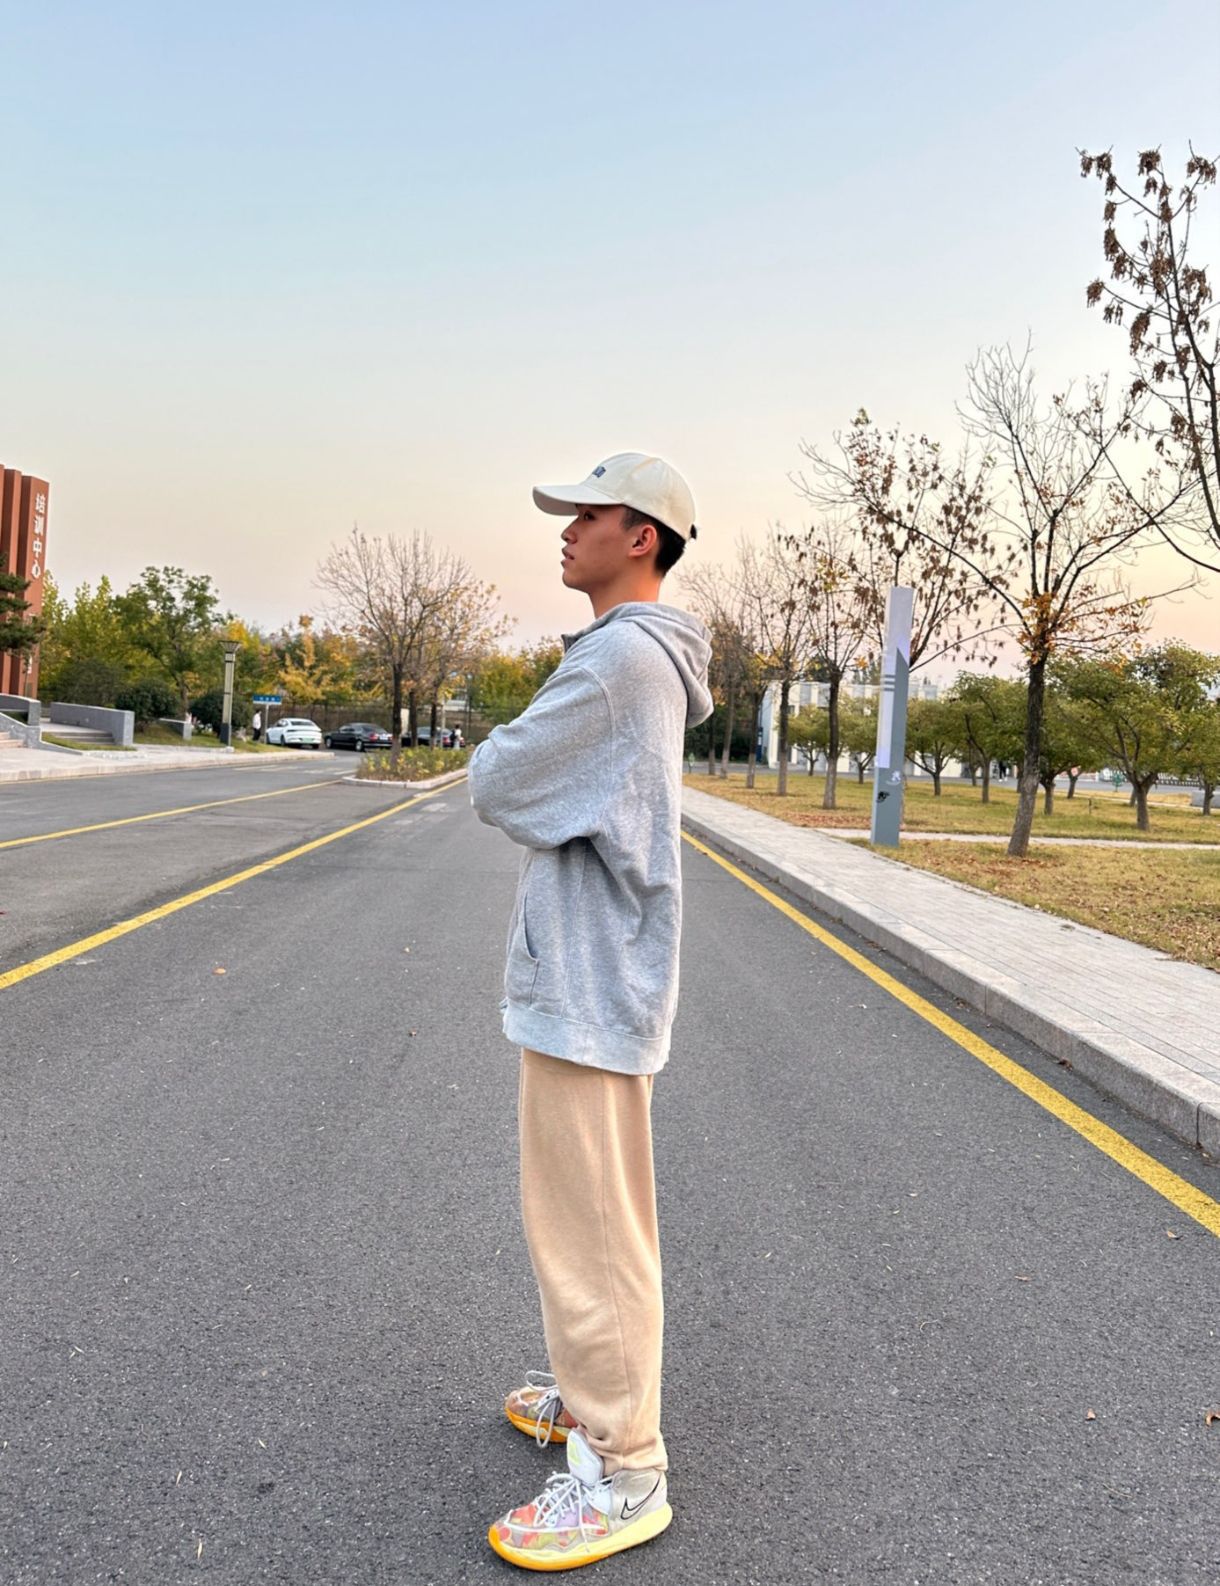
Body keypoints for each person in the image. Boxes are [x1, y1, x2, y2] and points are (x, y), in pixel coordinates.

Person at [469, 452, 711, 1571]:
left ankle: (623, 1467)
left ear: (642, 536)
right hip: (594, 973)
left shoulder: (617, 660)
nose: (566, 531)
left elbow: (500, 779)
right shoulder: (635, 656)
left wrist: (509, 750)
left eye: (587, 515)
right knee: (581, 1215)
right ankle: (590, 1396)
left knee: (594, 1229)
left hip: (589, 980)